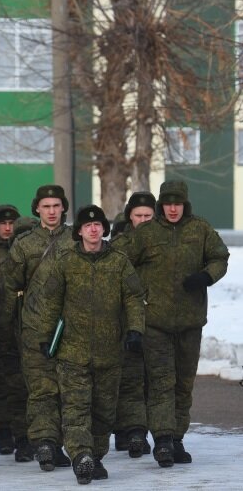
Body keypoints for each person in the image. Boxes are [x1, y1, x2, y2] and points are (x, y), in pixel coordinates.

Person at [27, 204, 145, 484]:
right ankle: (81, 455)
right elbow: (50, 302)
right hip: (72, 351)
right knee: (76, 407)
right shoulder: (65, 261)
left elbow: (133, 299)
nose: (93, 229)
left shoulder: (119, 261)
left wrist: (135, 331)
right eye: (87, 226)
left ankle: (96, 456)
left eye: (98, 225)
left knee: (104, 410)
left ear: (104, 229)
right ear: (79, 231)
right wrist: (44, 336)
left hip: (109, 352)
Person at [114, 181, 229, 467]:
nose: (173, 208)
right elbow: (120, 260)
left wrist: (206, 276)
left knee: (183, 383)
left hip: (190, 321)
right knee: (161, 381)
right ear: (161, 205)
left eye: (178, 203)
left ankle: (177, 438)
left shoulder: (200, 229)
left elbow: (220, 257)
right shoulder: (148, 233)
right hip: (155, 321)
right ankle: (163, 440)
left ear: (185, 203)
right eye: (168, 203)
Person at [6, 184, 74, 471]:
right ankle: (45, 443)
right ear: (37, 209)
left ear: (63, 208)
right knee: (42, 390)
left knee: (68, 390)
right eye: (46, 206)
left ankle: (60, 443)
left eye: (56, 206)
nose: (51, 211)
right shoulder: (24, 245)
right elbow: (10, 288)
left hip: (72, 329)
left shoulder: (76, 239)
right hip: (34, 330)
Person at [0, 205, 33, 461]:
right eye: (3, 222)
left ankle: (25, 435)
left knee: (23, 387)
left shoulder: (27, 252)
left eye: (13, 222)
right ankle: (3, 432)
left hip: (26, 331)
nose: (8, 227)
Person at [111, 191, 156, 457]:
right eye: (138, 216)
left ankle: (139, 429)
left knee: (152, 380)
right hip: (126, 319)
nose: (143, 220)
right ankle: (126, 431)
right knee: (127, 378)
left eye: (148, 215)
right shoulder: (120, 244)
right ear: (130, 217)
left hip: (157, 319)